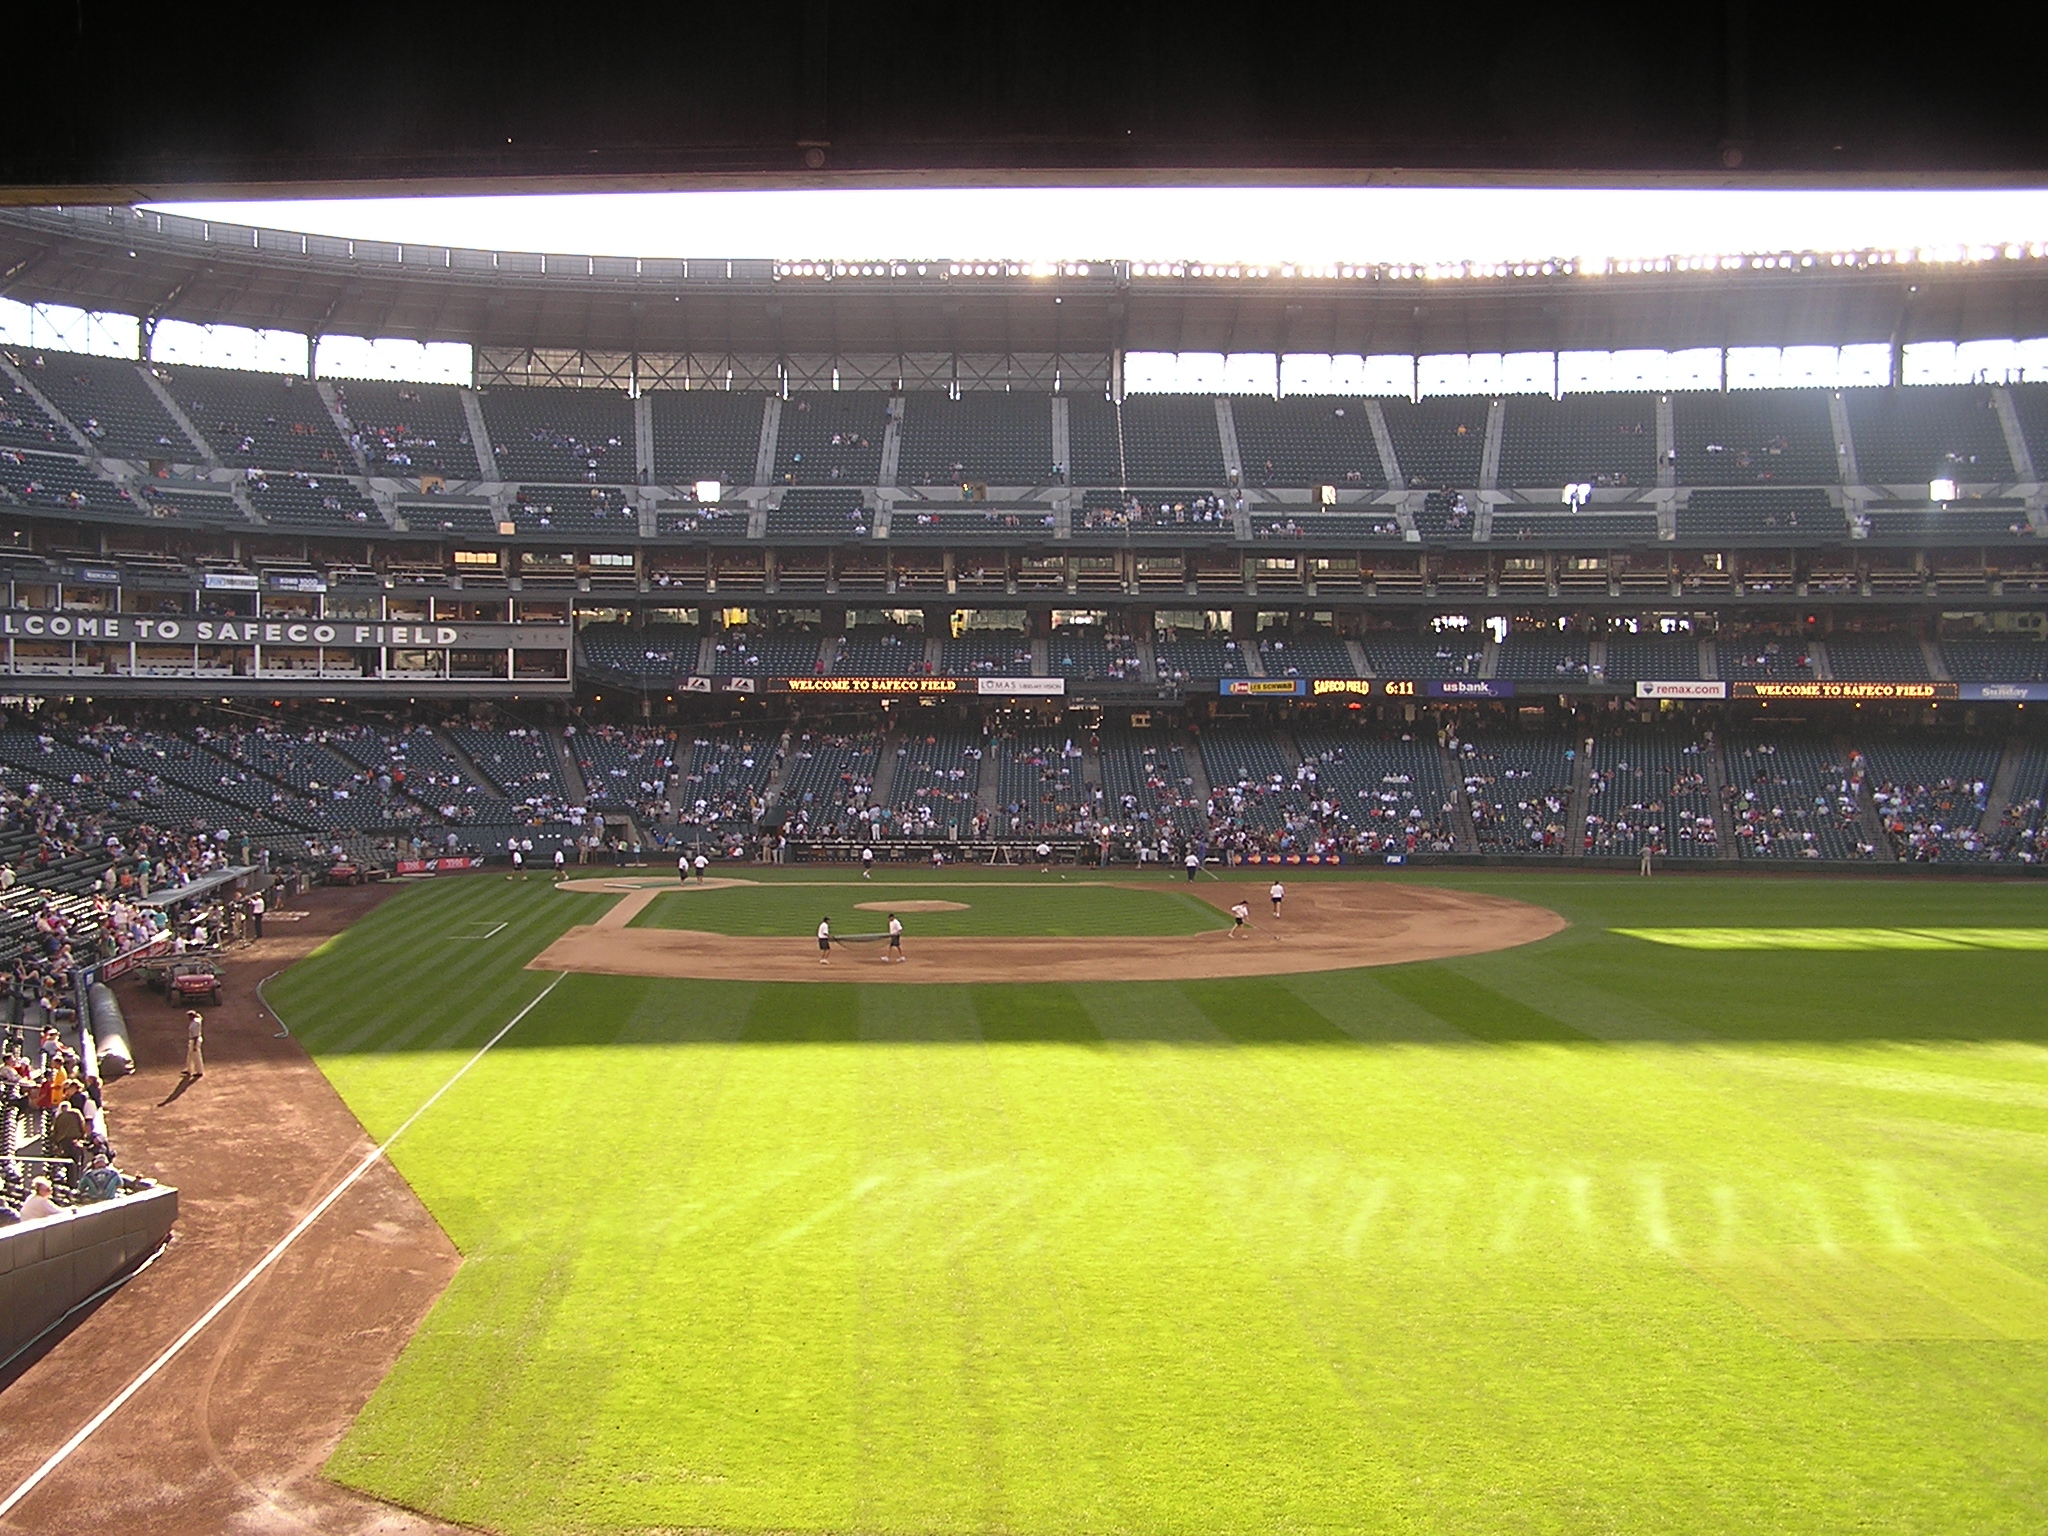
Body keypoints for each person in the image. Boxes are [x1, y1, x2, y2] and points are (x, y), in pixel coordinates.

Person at [184, 1008, 205, 1078]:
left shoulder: (195, 1024)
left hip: (195, 1040)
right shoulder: (197, 1020)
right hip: (194, 1040)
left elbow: (195, 1035)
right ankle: (189, 1070)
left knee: (196, 1056)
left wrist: (195, 1046)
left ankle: (200, 1071)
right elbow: (200, 1017)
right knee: (190, 1055)